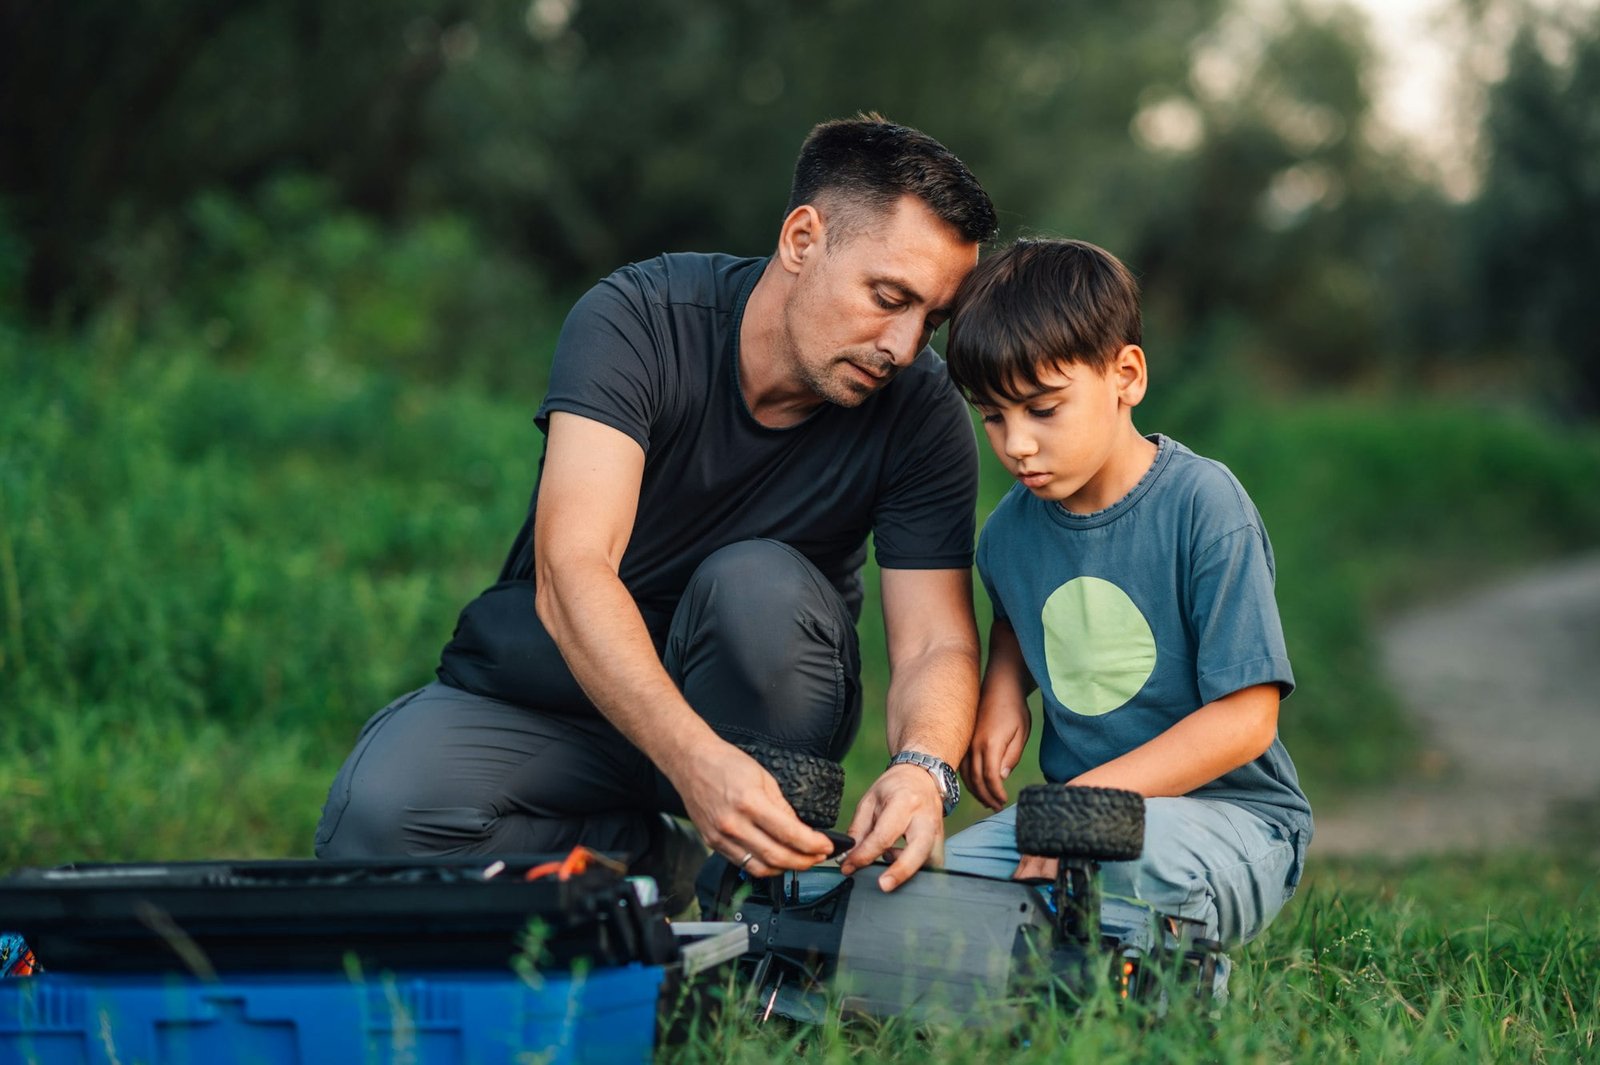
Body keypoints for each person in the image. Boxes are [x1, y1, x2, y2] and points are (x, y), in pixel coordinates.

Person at [314, 115, 998, 899]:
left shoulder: (921, 408)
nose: (905, 346)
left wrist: (923, 767)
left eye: (932, 319)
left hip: (762, 706)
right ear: (803, 240)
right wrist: (690, 759)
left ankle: (754, 905)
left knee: (757, 584)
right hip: (567, 690)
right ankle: (654, 865)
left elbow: (933, 643)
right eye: (888, 297)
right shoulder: (639, 319)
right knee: (376, 818)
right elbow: (572, 567)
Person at [940, 238, 1311, 946]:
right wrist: (1002, 689)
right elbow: (1018, 615)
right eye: (993, 415)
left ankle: (1158, 972)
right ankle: (1069, 947)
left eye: (1042, 409)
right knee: (935, 889)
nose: (1015, 443)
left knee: (1130, 864)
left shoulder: (1205, 505)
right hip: (1074, 823)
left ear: (1126, 375)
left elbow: (1247, 719)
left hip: (1231, 821)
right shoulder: (1009, 534)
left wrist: (1086, 804)